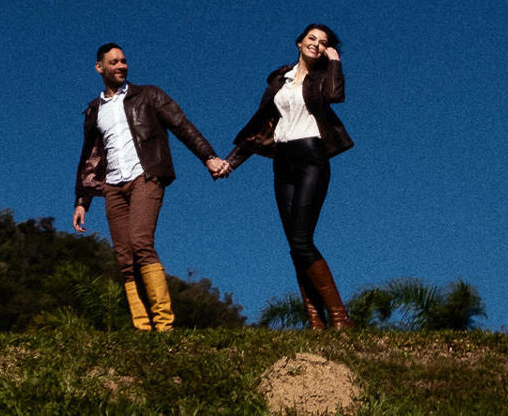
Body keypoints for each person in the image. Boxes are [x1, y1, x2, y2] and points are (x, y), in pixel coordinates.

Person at [71, 42, 228, 331]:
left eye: (124, 61)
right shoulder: (95, 110)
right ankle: (143, 328)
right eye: (114, 62)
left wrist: (208, 156)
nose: (121, 66)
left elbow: (182, 125)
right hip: (112, 187)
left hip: (146, 177)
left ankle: (164, 324)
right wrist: (82, 201)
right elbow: (89, 156)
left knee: (141, 242)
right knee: (124, 256)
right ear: (99, 68)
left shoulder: (148, 95)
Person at [223, 23, 355, 330]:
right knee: (294, 243)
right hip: (282, 161)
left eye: (323, 43)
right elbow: (261, 126)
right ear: (299, 42)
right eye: (312, 38)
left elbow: (336, 96)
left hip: (312, 157)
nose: (316, 44)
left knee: (301, 238)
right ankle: (314, 321)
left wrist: (335, 62)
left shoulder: (324, 77)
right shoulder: (278, 80)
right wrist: (232, 162)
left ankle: (339, 317)